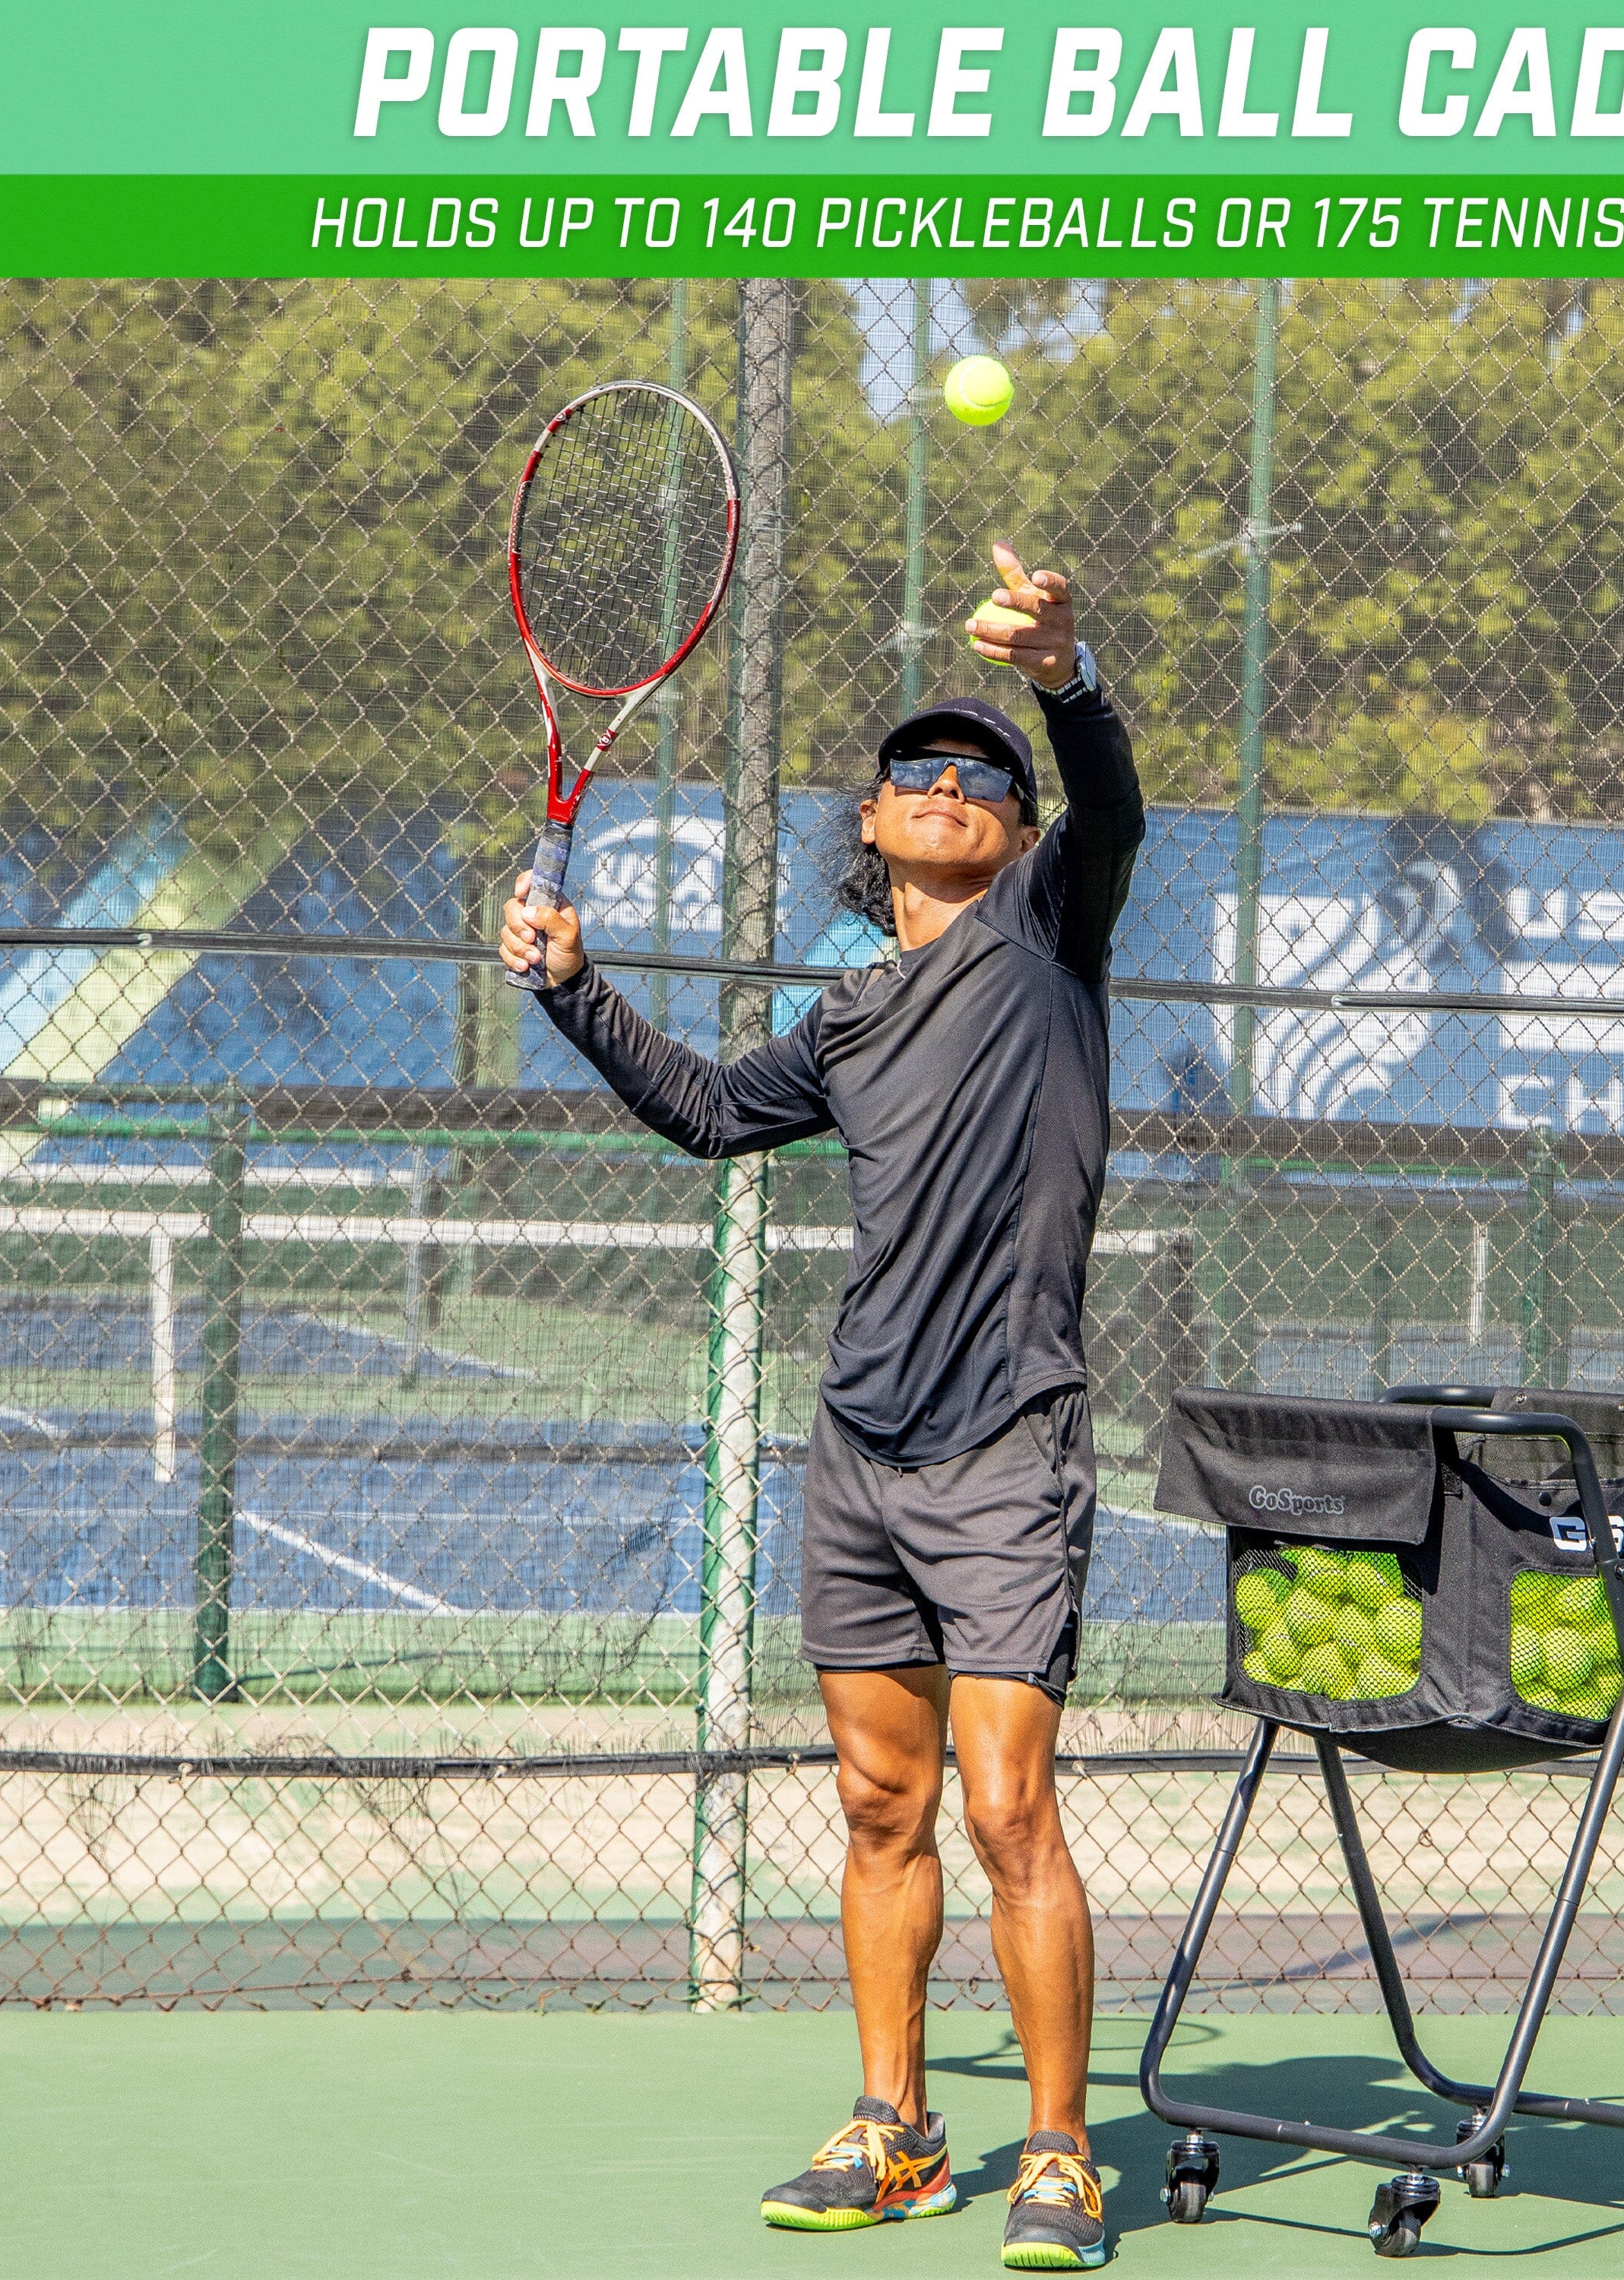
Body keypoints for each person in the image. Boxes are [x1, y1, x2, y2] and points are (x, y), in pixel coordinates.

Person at [502, 543, 1141, 2271]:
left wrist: (1063, 678)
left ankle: (1060, 2156)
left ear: (1015, 832)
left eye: (981, 778)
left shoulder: (1046, 937)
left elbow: (1112, 806)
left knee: (1007, 1809)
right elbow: (710, 1112)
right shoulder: (848, 1019)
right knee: (877, 1803)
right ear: (869, 820)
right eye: (917, 771)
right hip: (860, 1452)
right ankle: (896, 2130)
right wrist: (571, 986)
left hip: (1007, 1445)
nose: (949, 787)